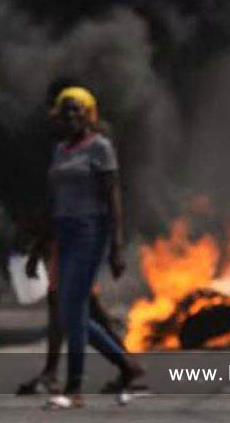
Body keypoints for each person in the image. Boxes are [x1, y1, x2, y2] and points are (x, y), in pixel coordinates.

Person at [18, 84, 145, 397]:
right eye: (66, 110)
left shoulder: (100, 147)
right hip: (62, 233)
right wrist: (36, 251)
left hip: (90, 232)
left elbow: (113, 198)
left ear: (89, 114)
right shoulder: (60, 151)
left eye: (77, 109)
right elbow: (52, 202)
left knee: (71, 308)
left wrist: (116, 247)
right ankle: (125, 365)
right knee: (71, 311)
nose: (71, 115)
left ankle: (74, 385)